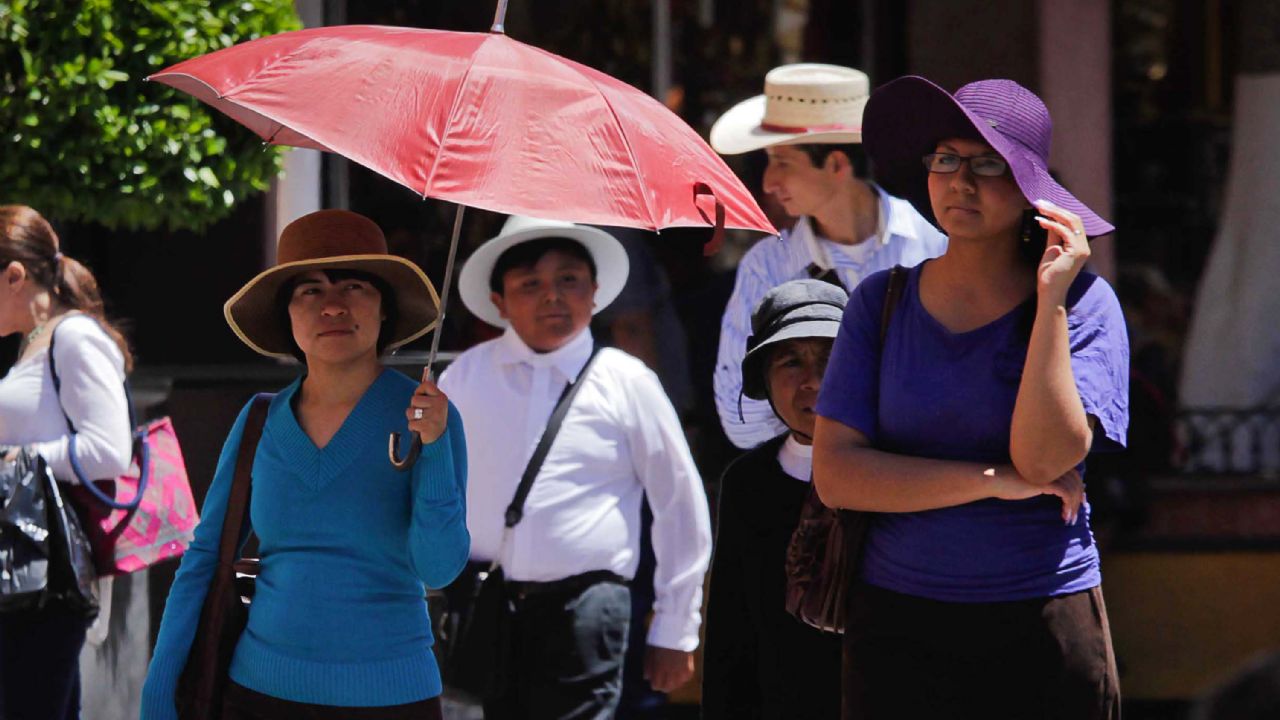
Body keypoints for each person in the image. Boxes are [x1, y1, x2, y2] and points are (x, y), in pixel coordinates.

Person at [812, 76, 1129, 718]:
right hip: (899, 625)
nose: (961, 181)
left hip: (1043, 616)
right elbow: (839, 475)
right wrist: (991, 481)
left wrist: (1049, 304)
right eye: (946, 159)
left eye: (988, 164)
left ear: (1032, 187)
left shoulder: (1085, 304)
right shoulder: (880, 302)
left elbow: (1045, 461)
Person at [141, 210, 469, 719]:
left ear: (384, 310)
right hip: (257, 695)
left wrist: (437, 445)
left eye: (354, 285)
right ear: (287, 318)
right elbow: (204, 560)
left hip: (393, 699)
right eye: (309, 290)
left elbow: (439, 567)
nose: (333, 305)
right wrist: (158, 697)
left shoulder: (429, 418)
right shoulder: (259, 419)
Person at [442, 215, 712, 719]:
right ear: (499, 301)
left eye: (569, 279)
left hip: (586, 610)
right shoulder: (462, 378)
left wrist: (676, 626)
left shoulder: (628, 381)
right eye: (530, 284)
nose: (552, 296)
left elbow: (680, 505)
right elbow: (429, 487)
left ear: (595, 291)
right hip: (481, 605)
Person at [709, 63, 948, 449]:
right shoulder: (769, 265)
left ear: (836, 164)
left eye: (782, 161)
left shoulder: (937, 244)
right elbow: (741, 416)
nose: (769, 182)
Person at [0, 205, 133, 719]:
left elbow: (109, 449)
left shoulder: (73, 337)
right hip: (24, 571)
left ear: (15, 275)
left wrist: (17, 457)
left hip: (44, 577)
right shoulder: (35, 345)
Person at [702, 279, 844, 720]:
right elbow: (732, 629)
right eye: (791, 361)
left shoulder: (900, 469)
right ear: (764, 379)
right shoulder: (748, 485)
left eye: (829, 357)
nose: (814, 381)